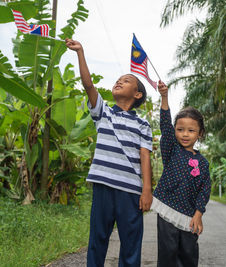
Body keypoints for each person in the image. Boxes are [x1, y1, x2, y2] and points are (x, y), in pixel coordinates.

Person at [65, 38, 153, 267]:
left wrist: (147, 190)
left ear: (137, 95)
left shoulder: (143, 124)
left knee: (131, 243)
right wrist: (80, 53)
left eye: (126, 81)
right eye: (118, 80)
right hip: (103, 186)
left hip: (130, 192)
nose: (119, 82)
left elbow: (145, 157)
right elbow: (88, 86)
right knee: (98, 239)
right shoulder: (103, 113)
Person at [152, 81, 211, 267]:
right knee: (168, 253)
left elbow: (205, 189)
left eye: (191, 130)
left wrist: (199, 213)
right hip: (168, 210)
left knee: (189, 255)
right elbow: (165, 127)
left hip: (189, 216)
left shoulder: (203, 163)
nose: (185, 134)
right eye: (180, 129)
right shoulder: (171, 149)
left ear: (200, 133)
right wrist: (164, 98)